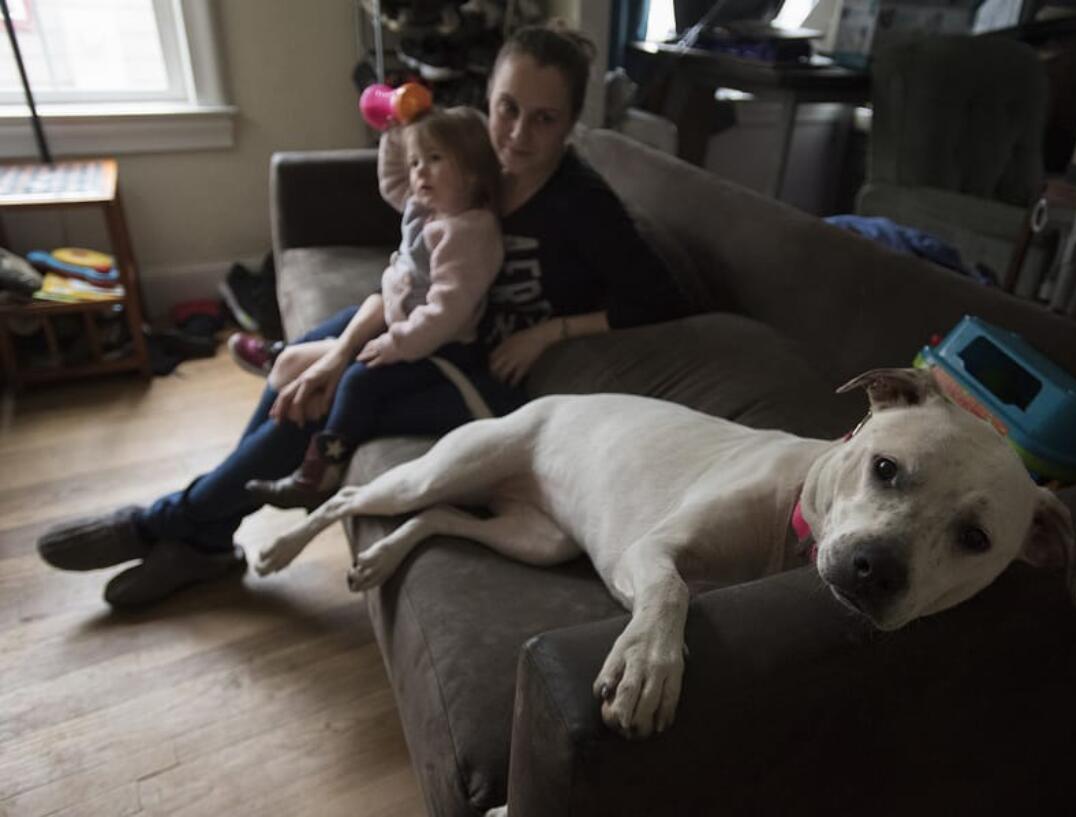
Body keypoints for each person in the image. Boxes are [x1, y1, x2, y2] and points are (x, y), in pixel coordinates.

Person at [35, 24, 689, 608]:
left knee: (327, 397)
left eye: (544, 119)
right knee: (298, 371)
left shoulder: (583, 204)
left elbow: (661, 297)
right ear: (487, 96)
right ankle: (206, 536)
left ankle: (165, 523)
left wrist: (555, 330)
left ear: (573, 122)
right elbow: (410, 226)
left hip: (477, 372)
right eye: (507, 108)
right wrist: (338, 348)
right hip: (418, 321)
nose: (518, 134)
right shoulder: (478, 158)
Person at [246, 104, 504, 509]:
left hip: (439, 346)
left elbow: (446, 312)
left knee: (358, 381)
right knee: (338, 338)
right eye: (416, 161)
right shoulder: (426, 205)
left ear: (472, 170)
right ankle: (282, 363)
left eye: (434, 160)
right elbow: (392, 181)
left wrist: (397, 344)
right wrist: (394, 129)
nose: (418, 172)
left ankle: (321, 469)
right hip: (402, 321)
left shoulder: (469, 232)